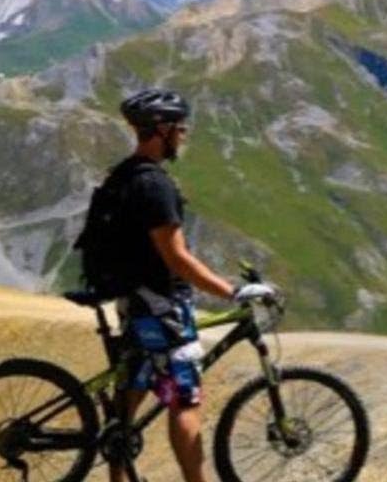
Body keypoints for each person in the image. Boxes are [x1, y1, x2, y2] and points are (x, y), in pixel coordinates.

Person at [110, 88, 237, 482]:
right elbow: (177, 257)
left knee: (130, 392)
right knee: (184, 400)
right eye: (180, 128)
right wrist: (230, 292)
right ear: (161, 129)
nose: (184, 135)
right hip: (161, 306)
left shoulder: (123, 174)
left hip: (132, 300)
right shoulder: (155, 186)